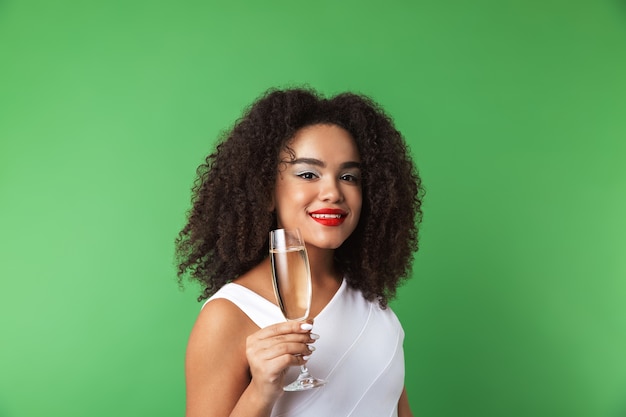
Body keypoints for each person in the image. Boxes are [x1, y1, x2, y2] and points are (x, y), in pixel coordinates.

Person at [175, 87, 423, 417]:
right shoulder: (227, 316)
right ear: (265, 191)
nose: (333, 192)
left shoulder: (371, 302)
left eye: (349, 176)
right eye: (308, 174)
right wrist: (261, 391)